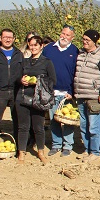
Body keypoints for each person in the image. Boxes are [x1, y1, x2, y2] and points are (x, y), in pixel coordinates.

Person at [16, 35, 56, 163]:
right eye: (31, 45)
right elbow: (16, 77)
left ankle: (40, 151)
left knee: (38, 127)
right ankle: (21, 152)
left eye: (35, 45)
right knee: (23, 126)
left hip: (39, 99)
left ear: (41, 46)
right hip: (23, 97)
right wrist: (21, 80)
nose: (33, 47)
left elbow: (52, 80)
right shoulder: (25, 61)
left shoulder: (47, 62)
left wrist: (37, 82)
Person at [42, 24, 78, 157]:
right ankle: (56, 145)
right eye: (63, 33)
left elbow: (76, 73)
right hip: (52, 91)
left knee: (68, 120)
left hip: (66, 93)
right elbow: (43, 69)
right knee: (53, 120)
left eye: (68, 35)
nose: (64, 37)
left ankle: (67, 146)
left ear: (72, 38)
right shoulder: (49, 49)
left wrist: (72, 92)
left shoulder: (75, 51)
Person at [74, 30, 100, 161]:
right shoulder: (81, 53)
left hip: (94, 96)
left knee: (93, 126)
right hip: (80, 94)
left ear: (94, 41)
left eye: (87, 40)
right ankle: (87, 149)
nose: (84, 42)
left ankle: (94, 152)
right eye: (83, 39)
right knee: (83, 125)